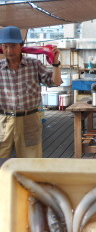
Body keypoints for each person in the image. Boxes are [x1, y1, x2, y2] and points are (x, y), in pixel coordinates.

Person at [0, 26, 62, 158]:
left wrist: (55, 63)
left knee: (31, 160)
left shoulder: (34, 64)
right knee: (1, 159)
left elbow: (55, 82)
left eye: (13, 46)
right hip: (4, 120)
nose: (9, 50)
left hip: (29, 119)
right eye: (5, 46)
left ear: (21, 45)